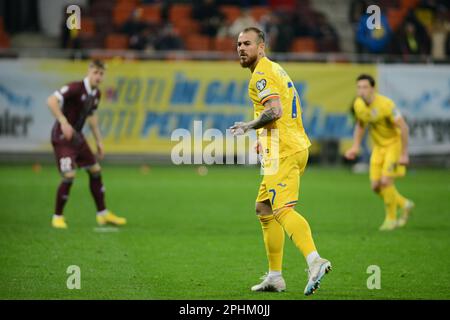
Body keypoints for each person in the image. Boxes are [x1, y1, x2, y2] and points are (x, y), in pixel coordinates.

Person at [230, 27, 331, 296]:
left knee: (283, 210)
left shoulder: (261, 74)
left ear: (261, 47)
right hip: (288, 146)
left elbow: (274, 111)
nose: (241, 48)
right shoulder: (274, 69)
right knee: (264, 208)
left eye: (247, 43)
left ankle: (315, 261)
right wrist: (263, 136)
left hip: (284, 151)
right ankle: (275, 277)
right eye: (238, 44)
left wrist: (250, 126)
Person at [46, 60, 126, 229]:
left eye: (101, 73)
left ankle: (102, 214)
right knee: (69, 175)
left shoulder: (96, 94)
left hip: (77, 137)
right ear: (89, 71)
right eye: (96, 72)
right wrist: (63, 122)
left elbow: (92, 118)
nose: (98, 76)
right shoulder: (75, 88)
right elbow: (51, 101)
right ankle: (57, 217)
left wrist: (99, 141)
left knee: (95, 170)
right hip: (62, 137)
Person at [345, 74, 414, 231]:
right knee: (375, 186)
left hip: (393, 145)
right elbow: (361, 125)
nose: (361, 91)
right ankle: (404, 204)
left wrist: (404, 154)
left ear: (372, 89)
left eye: (364, 87)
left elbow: (403, 127)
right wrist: (355, 146)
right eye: (359, 87)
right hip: (378, 147)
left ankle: (391, 219)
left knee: (385, 182)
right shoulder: (358, 104)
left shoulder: (386, 105)